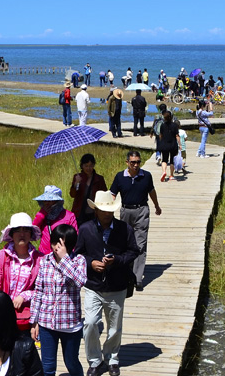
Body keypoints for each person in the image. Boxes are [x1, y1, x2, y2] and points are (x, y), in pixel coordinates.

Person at [74, 191, 140, 376]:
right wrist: (91, 263)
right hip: (93, 286)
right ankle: (94, 361)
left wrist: (117, 260)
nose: (107, 214)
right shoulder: (85, 229)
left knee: (114, 327)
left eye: (110, 210)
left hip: (117, 286)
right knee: (90, 324)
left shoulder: (124, 229)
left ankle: (112, 358)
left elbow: (133, 251)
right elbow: (78, 254)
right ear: (96, 211)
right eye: (103, 210)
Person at [30, 224, 86, 376]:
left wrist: (64, 259)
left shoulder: (78, 261)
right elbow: (38, 291)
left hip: (70, 325)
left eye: (62, 245)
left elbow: (80, 282)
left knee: (72, 363)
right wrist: (34, 321)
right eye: (55, 243)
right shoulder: (45, 261)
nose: (57, 248)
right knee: (47, 367)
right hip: (46, 323)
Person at [110, 150, 160, 292]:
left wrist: (157, 206)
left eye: (138, 162)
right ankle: (126, 273)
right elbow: (113, 194)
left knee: (140, 244)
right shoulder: (120, 177)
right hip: (125, 211)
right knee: (125, 243)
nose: (136, 165)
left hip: (142, 210)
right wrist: (108, 209)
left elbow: (152, 192)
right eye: (133, 162)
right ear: (127, 162)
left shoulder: (146, 176)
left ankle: (137, 279)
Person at [0, 213, 45, 337]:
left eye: (26, 230)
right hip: (3, 316)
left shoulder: (40, 259)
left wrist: (24, 296)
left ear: (31, 234)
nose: (22, 234)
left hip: (28, 319)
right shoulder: (2, 256)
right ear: (11, 234)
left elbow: (43, 289)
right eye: (18, 230)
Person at [31, 185, 78, 256]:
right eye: (45, 200)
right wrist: (41, 215)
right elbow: (33, 231)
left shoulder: (69, 216)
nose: (47, 203)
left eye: (50, 200)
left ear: (57, 202)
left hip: (63, 255)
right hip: (44, 255)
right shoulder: (42, 215)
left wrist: (69, 254)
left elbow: (74, 237)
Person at [70, 153, 108, 226]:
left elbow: (104, 195)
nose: (88, 168)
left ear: (94, 165)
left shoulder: (99, 179)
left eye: (91, 166)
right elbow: (72, 195)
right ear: (82, 166)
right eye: (86, 166)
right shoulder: (77, 177)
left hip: (94, 213)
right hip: (80, 212)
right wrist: (76, 184)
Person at [155, 111, 179, 182]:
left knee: (164, 160)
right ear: (171, 117)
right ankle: (171, 175)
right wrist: (180, 145)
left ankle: (164, 172)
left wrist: (160, 141)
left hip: (164, 144)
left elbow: (161, 135)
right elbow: (177, 135)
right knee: (172, 161)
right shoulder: (174, 125)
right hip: (173, 144)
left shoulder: (162, 125)